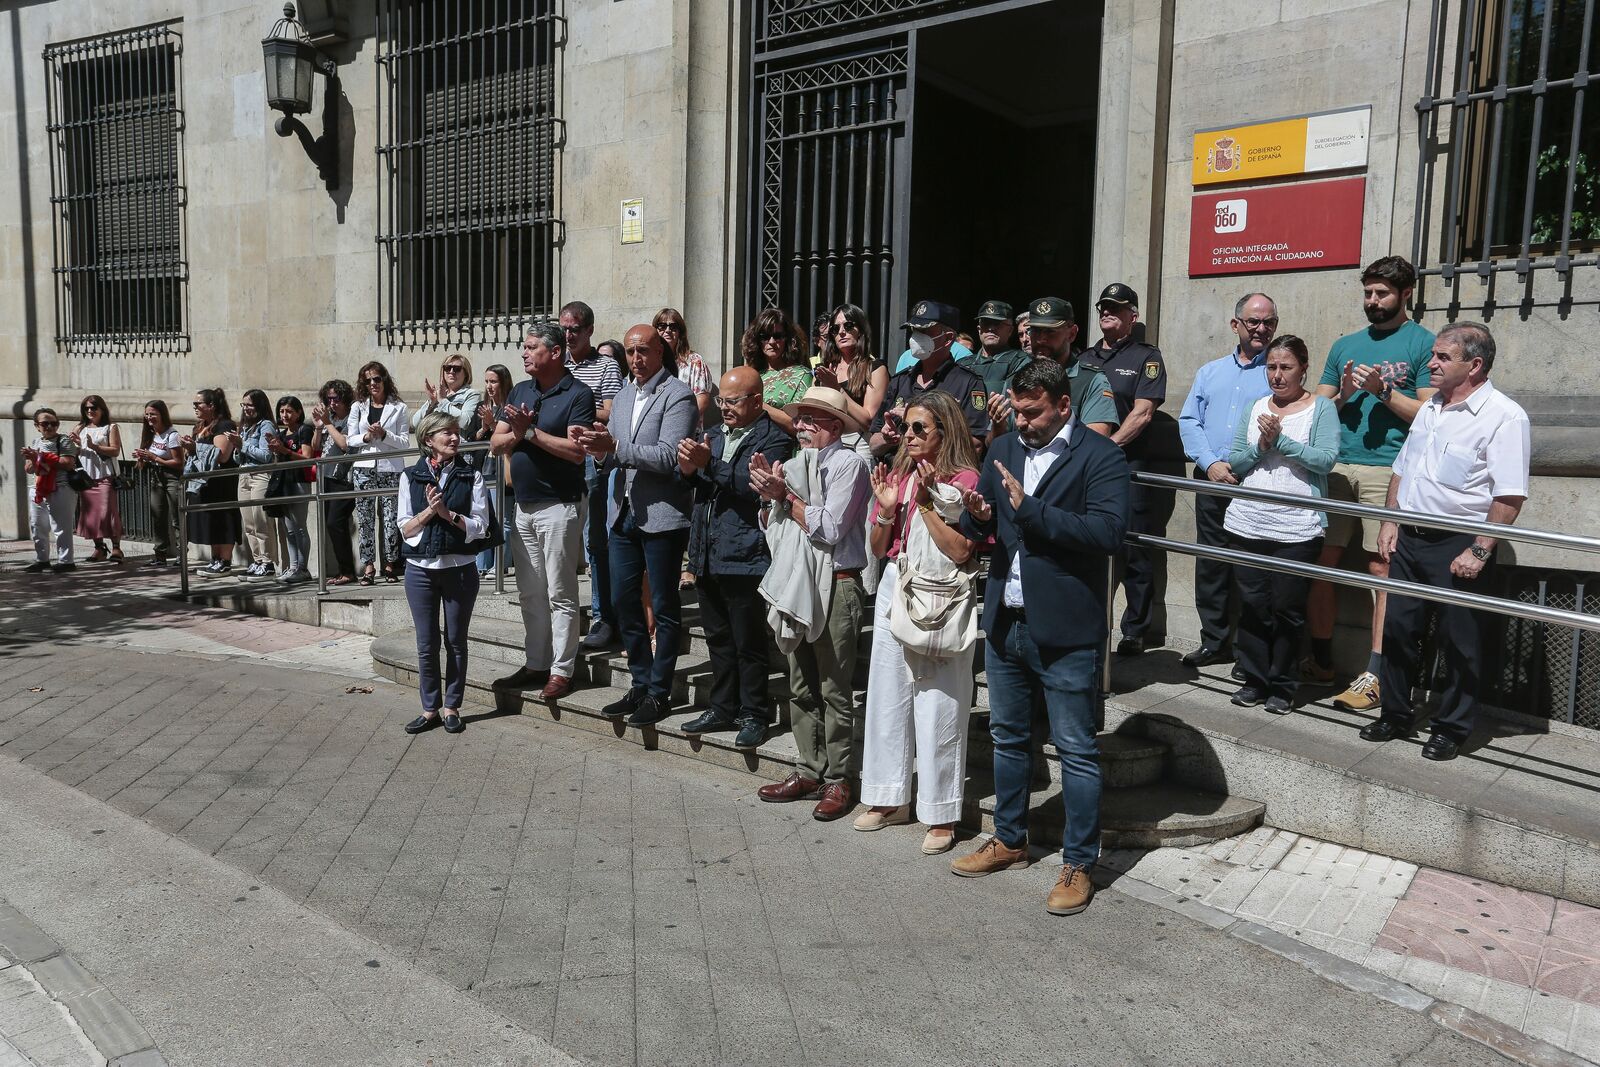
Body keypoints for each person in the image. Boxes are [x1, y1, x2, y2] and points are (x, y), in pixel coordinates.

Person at [949, 359, 1129, 917]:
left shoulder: (1103, 457)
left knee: (1075, 749)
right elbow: (984, 528)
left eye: (1034, 413)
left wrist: (1033, 511)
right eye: (1018, 411)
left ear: (1064, 406)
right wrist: (979, 516)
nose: (1023, 422)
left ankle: (1079, 862)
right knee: (1007, 737)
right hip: (1007, 621)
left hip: (1067, 630)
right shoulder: (1002, 450)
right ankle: (1010, 838)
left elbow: (1107, 532)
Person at [1363, 322, 1529, 762]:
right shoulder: (1431, 408)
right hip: (1408, 538)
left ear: (1474, 366)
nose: (1430, 364)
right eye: (1433, 355)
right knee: (1399, 630)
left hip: (1458, 543)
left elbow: (1509, 494)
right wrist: (1389, 520)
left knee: (1460, 641)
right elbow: (1403, 468)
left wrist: (1479, 549)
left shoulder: (1504, 416)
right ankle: (1396, 715)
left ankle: (1451, 728)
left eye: (1441, 357)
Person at [857, 390, 982, 855]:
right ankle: (888, 798)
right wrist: (887, 510)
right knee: (887, 692)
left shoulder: (966, 479)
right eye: (905, 427)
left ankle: (941, 811)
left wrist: (928, 504)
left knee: (940, 700)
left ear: (944, 432)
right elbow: (876, 546)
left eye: (918, 429)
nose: (907, 436)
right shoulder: (898, 473)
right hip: (898, 581)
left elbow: (962, 550)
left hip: (941, 592)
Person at [1311, 256, 1437, 711]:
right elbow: (1317, 408)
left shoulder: (1424, 344)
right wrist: (1345, 392)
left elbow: (1429, 415)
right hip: (1337, 465)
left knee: (1381, 569)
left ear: (1406, 295)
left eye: (1382, 293)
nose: (1372, 301)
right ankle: (1321, 660)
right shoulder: (1346, 345)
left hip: (1388, 469)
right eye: (1368, 293)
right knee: (1321, 562)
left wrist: (1385, 393)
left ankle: (1376, 674)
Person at [752, 386, 873, 820]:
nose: (799, 427)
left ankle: (839, 779)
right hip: (798, 582)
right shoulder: (796, 464)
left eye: (809, 420)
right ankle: (808, 769)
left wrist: (784, 496)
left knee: (834, 690)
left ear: (834, 426)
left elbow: (831, 528)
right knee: (801, 683)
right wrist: (770, 498)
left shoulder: (850, 464)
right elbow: (775, 527)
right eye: (799, 419)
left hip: (839, 584)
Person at [575, 324, 697, 726]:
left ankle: (659, 691)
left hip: (662, 514)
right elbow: (612, 456)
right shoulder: (624, 395)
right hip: (622, 513)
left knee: (663, 606)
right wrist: (595, 449)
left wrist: (615, 448)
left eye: (643, 350)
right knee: (624, 601)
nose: (636, 359)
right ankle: (640, 683)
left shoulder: (677, 395)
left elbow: (667, 456)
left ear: (661, 352)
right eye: (630, 352)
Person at [676, 366, 794, 749]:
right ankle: (721, 706)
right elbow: (699, 483)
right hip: (707, 551)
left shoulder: (772, 439)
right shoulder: (712, 434)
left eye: (733, 401)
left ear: (757, 401)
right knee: (717, 638)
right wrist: (689, 468)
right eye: (721, 401)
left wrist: (708, 464)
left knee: (748, 642)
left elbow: (749, 487)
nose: (723, 408)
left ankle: (754, 713)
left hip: (745, 553)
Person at [1223, 336, 1339, 713]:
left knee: (1288, 608)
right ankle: (1255, 679)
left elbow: (1325, 460)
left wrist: (1280, 441)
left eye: (1285, 367)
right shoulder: (1255, 406)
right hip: (1248, 522)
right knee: (1253, 605)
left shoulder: (1320, 408)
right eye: (1271, 367)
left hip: (1296, 526)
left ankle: (1283, 685)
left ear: (1303, 368)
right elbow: (1236, 463)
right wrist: (1260, 446)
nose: (1277, 375)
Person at [490, 324, 596, 701]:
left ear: (554, 353)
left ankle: (561, 671)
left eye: (531, 347)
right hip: (524, 508)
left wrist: (529, 432)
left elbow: (576, 451)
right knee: (530, 592)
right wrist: (519, 433)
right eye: (524, 347)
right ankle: (536, 662)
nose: (524, 353)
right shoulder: (520, 390)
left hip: (560, 506)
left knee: (560, 594)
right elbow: (495, 441)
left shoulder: (578, 394)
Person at [1176, 293, 1276, 668]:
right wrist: (1210, 462)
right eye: (1253, 322)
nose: (1261, 329)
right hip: (1212, 480)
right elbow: (1189, 421)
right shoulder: (1210, 372)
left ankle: (1248, 653)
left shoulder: (1278, 373)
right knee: (1212, 564)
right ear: (1236, 325)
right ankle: (1213, 641)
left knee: (1252, 570)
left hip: (1257, 482)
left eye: (1268, 322)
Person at [1079, 282, 1173, 655]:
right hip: (1084, 465)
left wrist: (1106, 448)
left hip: (1126, 465)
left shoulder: (1145, 358)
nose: (1107, 312)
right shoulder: (1084, 358)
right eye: (1103, 307)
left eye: (1116, 308)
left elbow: (1143, 412)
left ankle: (1135, 629)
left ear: (1133, 316)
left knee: (1134, 547)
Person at [397, 412, 497, 736]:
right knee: (426, 643)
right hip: (420, 572)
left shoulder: (472, 475)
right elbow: (405, 528)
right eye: (447, 433)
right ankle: (430, 710)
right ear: (429, 440)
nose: (455, 438)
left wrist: (448, 514)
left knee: (455, 641)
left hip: (460, 570)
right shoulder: (410, 476)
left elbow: (481, 527)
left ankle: (452, 706)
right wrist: (429, 513)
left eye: (456, 432)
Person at [565, 305, 627, 653]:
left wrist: (577, 405)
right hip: (558, 458)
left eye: (575, 328)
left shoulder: (606, 366)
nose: (569, 335)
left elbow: (613, 409)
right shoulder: (557, 366)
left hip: (593, 461)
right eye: (565, 329)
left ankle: (604, 616)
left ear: (589, 330)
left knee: (596, 539)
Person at [870, 299, 990, 458]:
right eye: (914, 331)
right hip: (898, 476)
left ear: (948, 339)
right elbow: (873, 444)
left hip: (941, 476)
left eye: (925, 332)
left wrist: (930, 421)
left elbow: (975, 446)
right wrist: (888, 438)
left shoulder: (969, 383)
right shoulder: (900, 381)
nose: (915, 338)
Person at [1006, 298, 1119, 438]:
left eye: (1050, 331)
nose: (1041, 339)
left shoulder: (1091, 381)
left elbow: (1095, 443)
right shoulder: (1015, 379)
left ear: (1071, 334)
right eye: (1035, 331)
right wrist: (998, 426)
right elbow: (998, 443)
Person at [347, 361, 410, 584]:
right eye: (367, 380)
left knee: (391, 518)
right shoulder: (358, 407)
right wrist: (365, 437)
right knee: (365, 519)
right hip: (364, 469)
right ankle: (369, 566)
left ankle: (391, 564)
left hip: (390, 469)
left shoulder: (399, 408)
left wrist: (384, 435)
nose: (372, 384)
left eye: (376, 379)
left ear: (384, 379)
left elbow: (404, 443)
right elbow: (350, 439)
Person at [812, 302, 888, 457]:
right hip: (823, 445)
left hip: (857, 445)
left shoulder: (874, 368)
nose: (841, 332)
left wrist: (837, 389)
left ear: (860, 329)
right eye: (835, 329)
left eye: (847, 326)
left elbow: (868, 421)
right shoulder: (826, 367)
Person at [185, 388, 242, 578]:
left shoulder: (224, 425)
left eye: (198, 403)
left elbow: (222, 455)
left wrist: (195, 447)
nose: (195, 407)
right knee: (210, 521)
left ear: (211, 406)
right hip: (204, 482)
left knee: (223, 519)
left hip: (222, 483)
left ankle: (225, 561)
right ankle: (215, 559)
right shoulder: (200, 426)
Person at [232, 389, 284, 581]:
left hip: (260, 475)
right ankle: (257, 560)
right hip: (244, 475)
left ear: (259, 406)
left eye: (250, 405)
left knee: (261, 520)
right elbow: (239, 458)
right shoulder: (245, 427)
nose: (246, 409)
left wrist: (243, 444)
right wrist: (238, 446)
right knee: (249, 523)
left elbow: (266, 455)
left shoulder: (266, 425)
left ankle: (268, 562)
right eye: (244, 404)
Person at [21, 407, 80, 573]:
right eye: (45, 423)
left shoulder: (64, 441)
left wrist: (41, 458)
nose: (50, 427)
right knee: (37, 527)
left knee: (61, 527)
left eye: (54, 423)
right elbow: (29, 469)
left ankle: (66, 561)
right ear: (36, 425)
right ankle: (42, 560)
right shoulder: (35, 443)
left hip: (61, 488)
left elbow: (68, 463)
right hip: (39, 489)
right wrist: (33, 459)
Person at [311, 379, 358, 586]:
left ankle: (348, 571)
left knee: (335, 523)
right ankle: (343, 570)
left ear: (345, 398)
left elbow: (346, 445)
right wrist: (319, 427)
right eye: (328, 398)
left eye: (336, 398)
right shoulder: (329, 419)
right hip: (326, 478)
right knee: (332, 526)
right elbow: (315, 447)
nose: (332, 403)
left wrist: (328, 424)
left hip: (343, 479)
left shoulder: (350, 419)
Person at [471, 363, 516, 578]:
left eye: (494, 381)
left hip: (504, 469)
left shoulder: (510, 406)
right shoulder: (482, 406)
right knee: (483, 517)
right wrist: (484, 427)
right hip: (485, 468)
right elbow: (473, 437)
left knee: (503, 519)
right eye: (487, 381)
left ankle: (502, 564)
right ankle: (482, 563)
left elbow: (512, 433)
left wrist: (494, 422)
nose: (489, 386)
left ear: (503, 382)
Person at [267, 395, 316, 583]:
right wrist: (275, 450)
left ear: (298, 413)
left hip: (299, 481)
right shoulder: (281, 434)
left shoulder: (304, 430)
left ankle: (303, 568)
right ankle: (293, 566)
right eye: (281, 411)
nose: (284, 415)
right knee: (288, 529)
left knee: (300, 526)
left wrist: (285, 451)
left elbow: (308, 458)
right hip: (284, 483)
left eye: (288, 411)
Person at [741, 308, 813, 433]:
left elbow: (800, 426)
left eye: (778, 336)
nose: (772, 342)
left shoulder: (801, 374)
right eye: (765, 337)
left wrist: (757, 404)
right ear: (757, 340)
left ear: (788, 339)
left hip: (781, 446)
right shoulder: (752, 373)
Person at [71, 395, 124, 563]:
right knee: (91, 515)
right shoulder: (80, 427)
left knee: (108, 513)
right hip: (86, 478)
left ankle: (116, 547)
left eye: (93, 408)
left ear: (101, 409)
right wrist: (76, 445)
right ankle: (99, 548)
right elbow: (72, 451)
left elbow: (115, 451)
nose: (90, 411)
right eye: (86, 408)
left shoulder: (110, 427)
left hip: (105, 476)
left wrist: (95, 447)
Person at [132, 400, 184, 566]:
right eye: (147, 414)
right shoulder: (151, 434)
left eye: (153, 414)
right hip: (156, 478)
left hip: (172, 478)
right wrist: (142, 457)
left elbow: (179, 462)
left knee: (177, 518)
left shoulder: (172, 435)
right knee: (158, 517)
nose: (149, 417)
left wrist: (155, 458)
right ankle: (160, 555)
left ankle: (181, 554)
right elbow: (150, 459)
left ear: (162, 414)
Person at [967, 300, 1030, 409]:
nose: (991, 328)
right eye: (986, 324)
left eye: (997, 324)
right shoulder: (963, 364)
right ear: (979, 329)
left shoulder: (1021, 361)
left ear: (1010, 330)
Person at [411, 354, 482, 444]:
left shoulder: (471, 394)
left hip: (458, 451)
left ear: (466, 373)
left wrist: (443, 401)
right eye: (447, 368)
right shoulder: (438, 394)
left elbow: (465, 422)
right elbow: (415, 423)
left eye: (457, 369)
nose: (451, 372)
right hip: (434, 450)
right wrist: (432, 402)